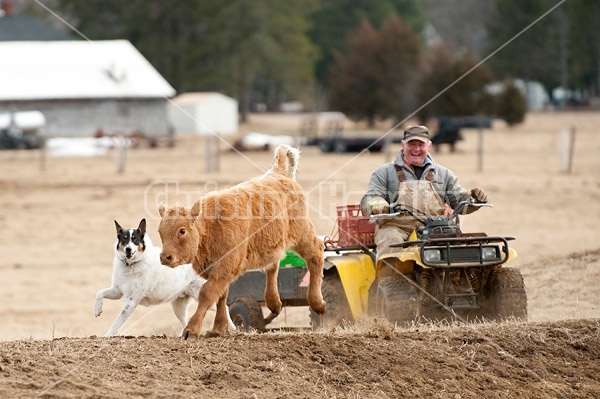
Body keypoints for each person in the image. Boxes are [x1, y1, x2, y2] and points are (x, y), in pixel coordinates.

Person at [360, 125, 488, 260]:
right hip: (396, 228)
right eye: (411, 144)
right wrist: (378, 204)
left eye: (421, 144)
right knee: (391, 245)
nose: (416, 149)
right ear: (402, 145)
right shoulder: (384, 172)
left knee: (463, 256)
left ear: (429, 146)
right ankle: (389, 280)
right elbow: (370, 198)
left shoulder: (444, 174)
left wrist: (473, 199)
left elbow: (459, 201)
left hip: (436, 229)